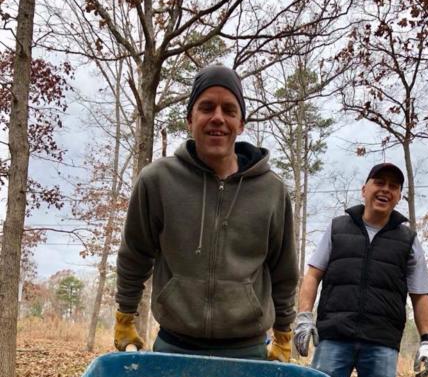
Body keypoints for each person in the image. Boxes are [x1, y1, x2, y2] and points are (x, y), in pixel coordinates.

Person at [113, 64, 298, 361]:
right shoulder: (157, 180)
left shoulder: (271, 191)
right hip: (175, 346)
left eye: (229, 110)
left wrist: (284, 331)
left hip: (248, 351)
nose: (218, 118)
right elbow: (134, 254)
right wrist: (125, 315)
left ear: (241, 124)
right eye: (206, 107)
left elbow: (284, 272)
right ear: (190, 118)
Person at [293, 163, 428, 377]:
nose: (385, 190)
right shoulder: (337, 228)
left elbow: (420, 294)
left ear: (399, 196)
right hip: (334, 337)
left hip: (381, 343)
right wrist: (303, 317)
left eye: (393, 186)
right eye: (379, 182)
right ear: (365, 189)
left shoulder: (408, 240)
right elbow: (312, 275)